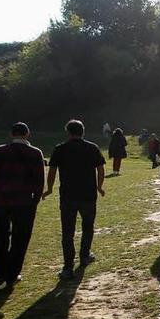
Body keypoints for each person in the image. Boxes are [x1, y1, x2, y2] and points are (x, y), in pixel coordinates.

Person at [44, 119, 106, 279]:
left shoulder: (60, 149)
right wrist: (100, 186)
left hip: (67, 196)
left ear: (68, 132)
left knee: (67, 232)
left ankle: (67, 267)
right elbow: (100, 169)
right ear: (82, 131)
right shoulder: (92, 148)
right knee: (88, 227)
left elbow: (52, 171)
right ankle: (85, 256)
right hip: (88, 195)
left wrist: (49, 188)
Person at [0, 122, 46, 286]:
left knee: (0, 235)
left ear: (11, 134)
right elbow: (39, 179)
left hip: (2, 199)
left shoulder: (0, 151)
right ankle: (12, 273)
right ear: (27, 134)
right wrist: (36, 199)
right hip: (24, 200)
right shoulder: (35, 153)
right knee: (21, 237)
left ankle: (0, 270)